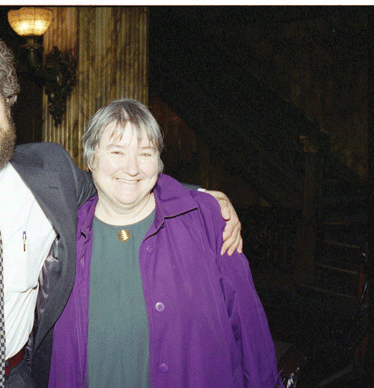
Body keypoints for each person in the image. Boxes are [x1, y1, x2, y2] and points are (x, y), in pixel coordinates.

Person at [0, 28, 242, 388]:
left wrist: (203, 198)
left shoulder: (53, 170)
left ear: (8, 102)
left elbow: (122, 183)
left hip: (19, 375)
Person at [49, 99, 281, 388]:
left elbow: (249, 326)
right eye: (117, 151)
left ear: (158, 162)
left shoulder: (206, 219)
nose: (132, 168)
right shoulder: (60, 234)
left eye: (145, 153)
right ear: (91, 159)